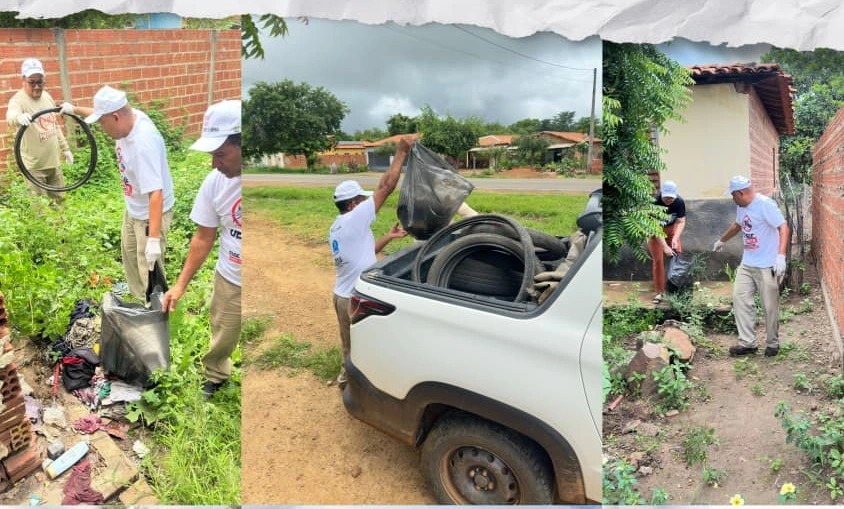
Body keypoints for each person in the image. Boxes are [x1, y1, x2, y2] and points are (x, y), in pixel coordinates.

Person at [62, 87, 175, 301]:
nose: (101, 128)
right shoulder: (128, 117)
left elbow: (156, 194)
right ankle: (139, 304)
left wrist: (153, 239)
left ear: (115, 117)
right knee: (131, 261)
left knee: (150, 273)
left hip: (150, 215)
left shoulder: (143, 143)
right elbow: (100, 113)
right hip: (134, 209)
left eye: (102, 122)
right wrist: (73, 109)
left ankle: (156, 312)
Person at [161, 100, 242, 398]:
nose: (214, 164)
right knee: (224, 332)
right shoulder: (215, 183)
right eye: (212, 155)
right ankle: (216, 375)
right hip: (232, 277)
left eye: (220, 154)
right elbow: (204, 236)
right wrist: (180, 285)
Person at [329, 137, 412, 388]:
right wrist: (401, 152)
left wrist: (388, 237)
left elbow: (365, 253)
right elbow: (386, 186)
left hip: (341, 295)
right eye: (363, 200)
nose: (368, 203)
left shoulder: (338, 226)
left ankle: (347, 378)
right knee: (362, 344)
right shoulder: (355, 218)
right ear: (353, 204)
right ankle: (355, 385)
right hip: (353, 297)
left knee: (350, 343)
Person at [713, 176, 789, 357]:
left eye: (733, 195)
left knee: (769, 306)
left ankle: (772, 343)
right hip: (748, 263)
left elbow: (783, 227)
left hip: (767, 264)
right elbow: (737, 225)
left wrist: (781, 256)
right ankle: (747, 343)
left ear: (740, 193)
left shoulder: (765, 205)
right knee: (740, 298)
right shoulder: (742, 206)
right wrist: (722, 240)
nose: (732, 199)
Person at [5, 58, 73, 202]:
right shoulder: (18, 100)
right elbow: (11, 115)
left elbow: (54, 125)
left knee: (60, 202)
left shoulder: (47, 97)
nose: (37, 87)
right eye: (32, 82)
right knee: (40, 208)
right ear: (23, 80)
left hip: (54, 163)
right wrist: (18, 117)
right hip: (34, 167)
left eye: (40, 82)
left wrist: (65, 149)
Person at [648, 180, 686, 304]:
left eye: (671, 198)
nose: (669, 200)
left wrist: (675, 238)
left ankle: (677, 288)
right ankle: (659, 292)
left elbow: (681, 221)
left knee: (677, 254)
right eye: (666, 197)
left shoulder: (679, 202)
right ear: (661, 193)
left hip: (671, 230)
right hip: (655, 233)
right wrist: (664, 246)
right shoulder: (654, 202)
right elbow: (655, 228)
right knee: (658, 260)